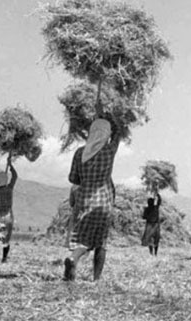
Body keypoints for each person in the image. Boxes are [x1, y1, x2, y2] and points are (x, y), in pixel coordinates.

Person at [64, 117, 121, 281]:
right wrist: (111, 118)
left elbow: (73, 178)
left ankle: (73, 258)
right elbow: (118, 134)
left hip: (84, 201)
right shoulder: (109, 151)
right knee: (101, 243)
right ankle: (96, 279)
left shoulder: (79, 153)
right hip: (104, 203)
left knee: (83, 239)